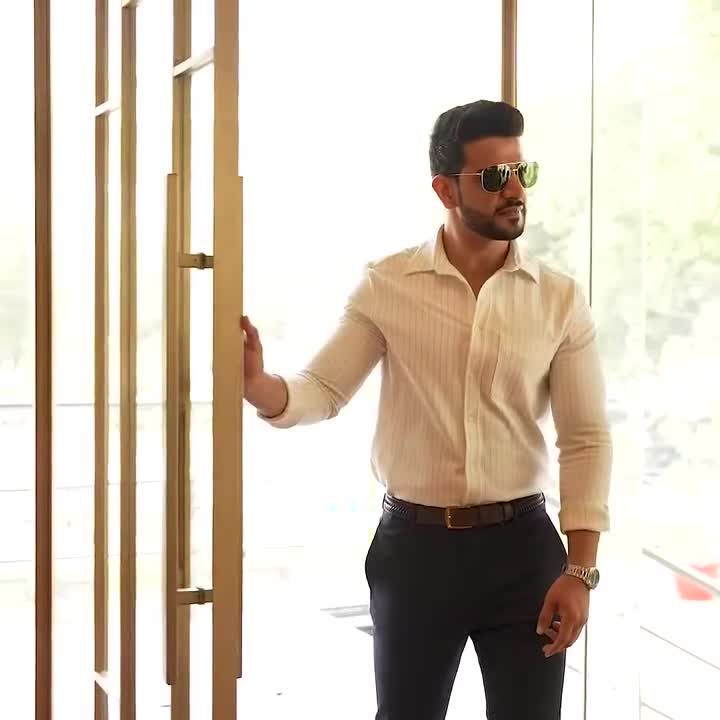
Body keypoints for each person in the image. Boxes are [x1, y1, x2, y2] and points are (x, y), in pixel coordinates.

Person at [242, 99, 612, 720]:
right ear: (445, 189)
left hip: (523, 553)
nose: (514, 190)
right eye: (493, 176)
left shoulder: (560, 300)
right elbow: (323, 389)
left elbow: (586, 439)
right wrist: (258, 386)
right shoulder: (388, 284)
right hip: (415, 553)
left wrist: (580, 571)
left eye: (522, 171)